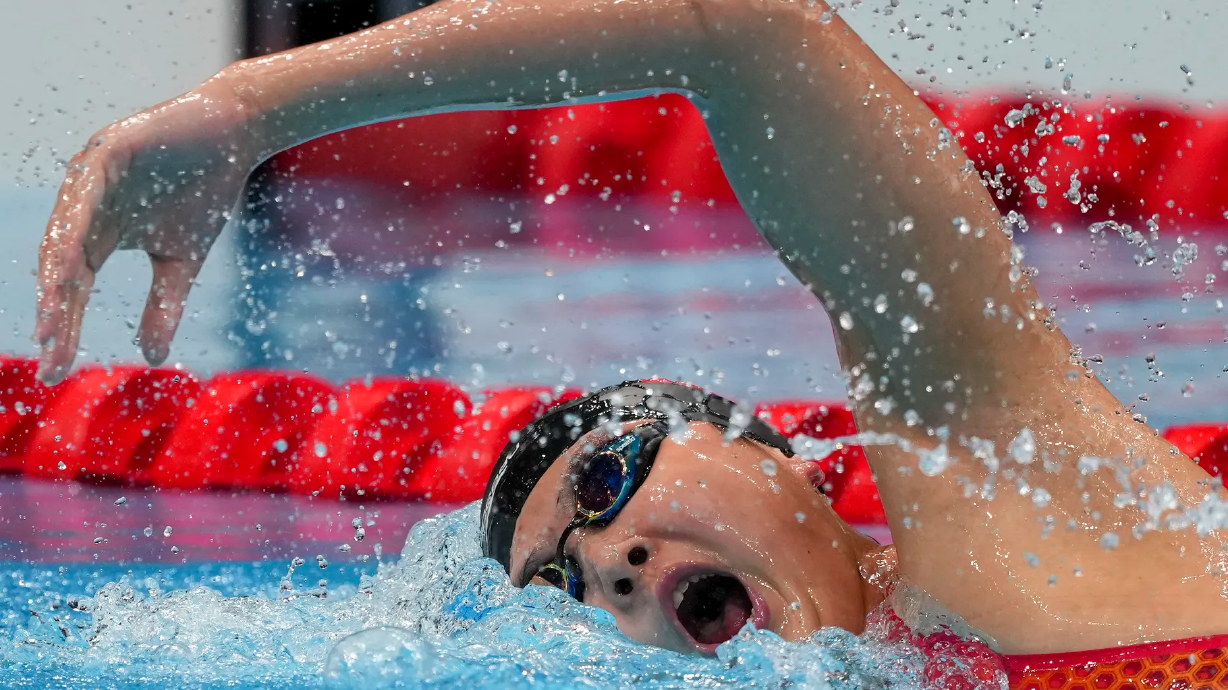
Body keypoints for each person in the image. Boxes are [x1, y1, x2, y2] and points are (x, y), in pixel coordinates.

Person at [34, 0, 1228, 673]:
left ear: (781, 459)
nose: (603, 561)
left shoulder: (1017, 501)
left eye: (607, 477)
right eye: (563, 586)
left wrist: (248, 110)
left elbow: (739, 31)